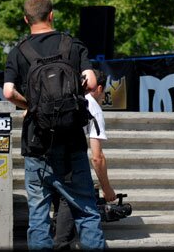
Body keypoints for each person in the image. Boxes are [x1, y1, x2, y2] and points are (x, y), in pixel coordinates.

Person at [3, 0, 105, 250]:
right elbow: (91, 83)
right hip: (71, 143)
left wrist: (31, 106)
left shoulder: (18, 52)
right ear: (52, 15)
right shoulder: (72, 45)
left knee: (38, 215)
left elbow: (7, 92)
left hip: (37, 144)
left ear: (26, 19)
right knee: (86, 211)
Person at [52, 69, 116, 250]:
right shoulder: (92, 106)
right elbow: (97, 157)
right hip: (70, 160)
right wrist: (106, 187)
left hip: (46, 157)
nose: (103, 96)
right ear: (100, 88)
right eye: (104, 92)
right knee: (72, 198)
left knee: (61, 200)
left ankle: (59, 239)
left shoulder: (64, 97)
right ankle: (60, 244)